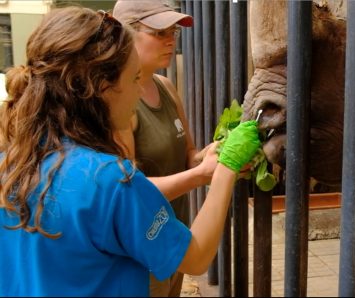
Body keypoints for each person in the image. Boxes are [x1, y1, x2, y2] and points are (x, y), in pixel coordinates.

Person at [0, 6, 261, 297]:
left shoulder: (10, 162)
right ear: (102, 87)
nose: (139, 91)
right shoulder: (111, 181)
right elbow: (196, 256)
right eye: (134, 78)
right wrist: (227, 167)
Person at [112, 1, 212, 295]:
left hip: (172, 237)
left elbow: (190, 158)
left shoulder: (166, 86)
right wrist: (203, 176)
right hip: (141, 250)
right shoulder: (119, 104)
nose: (170, 40)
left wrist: (217, 154)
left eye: (173, 32)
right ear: (125, 35)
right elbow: (127, 192)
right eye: (159, 32)